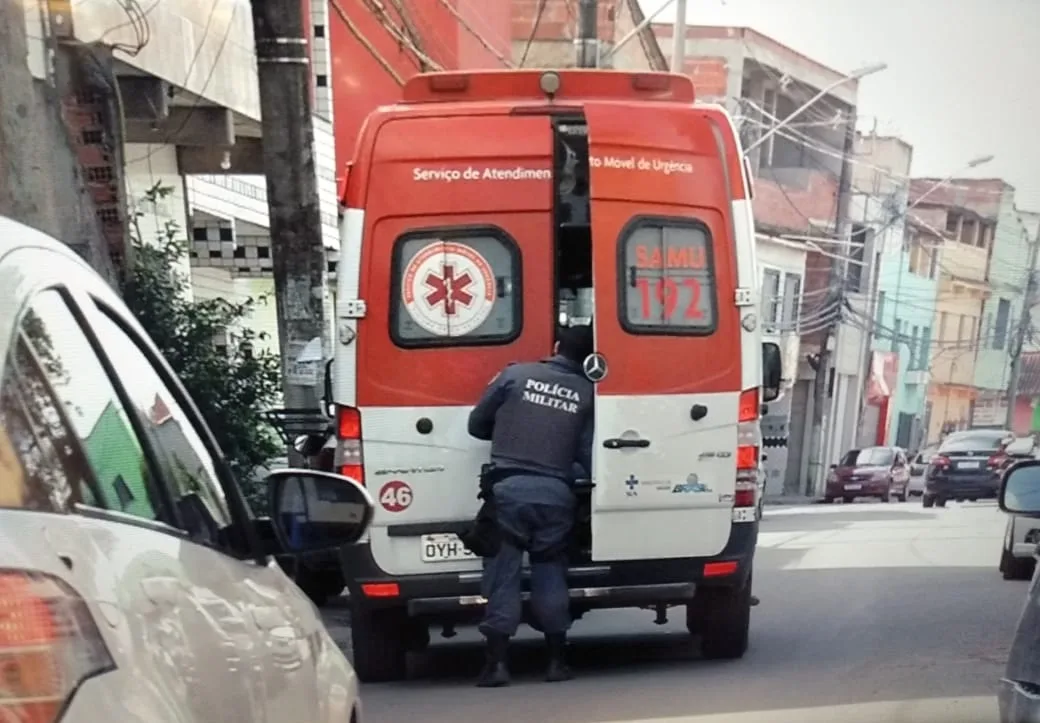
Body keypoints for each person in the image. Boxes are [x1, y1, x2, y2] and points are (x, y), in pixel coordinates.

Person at [467, 324, 595, 688]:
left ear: (555, 346)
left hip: (508, 493)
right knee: (551, 570)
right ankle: (556, 663)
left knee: (502, 575)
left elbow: (476, 425)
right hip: (556, 496)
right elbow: (587, 455)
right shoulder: (587, 392)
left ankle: (497, 667)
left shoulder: (515, 375)